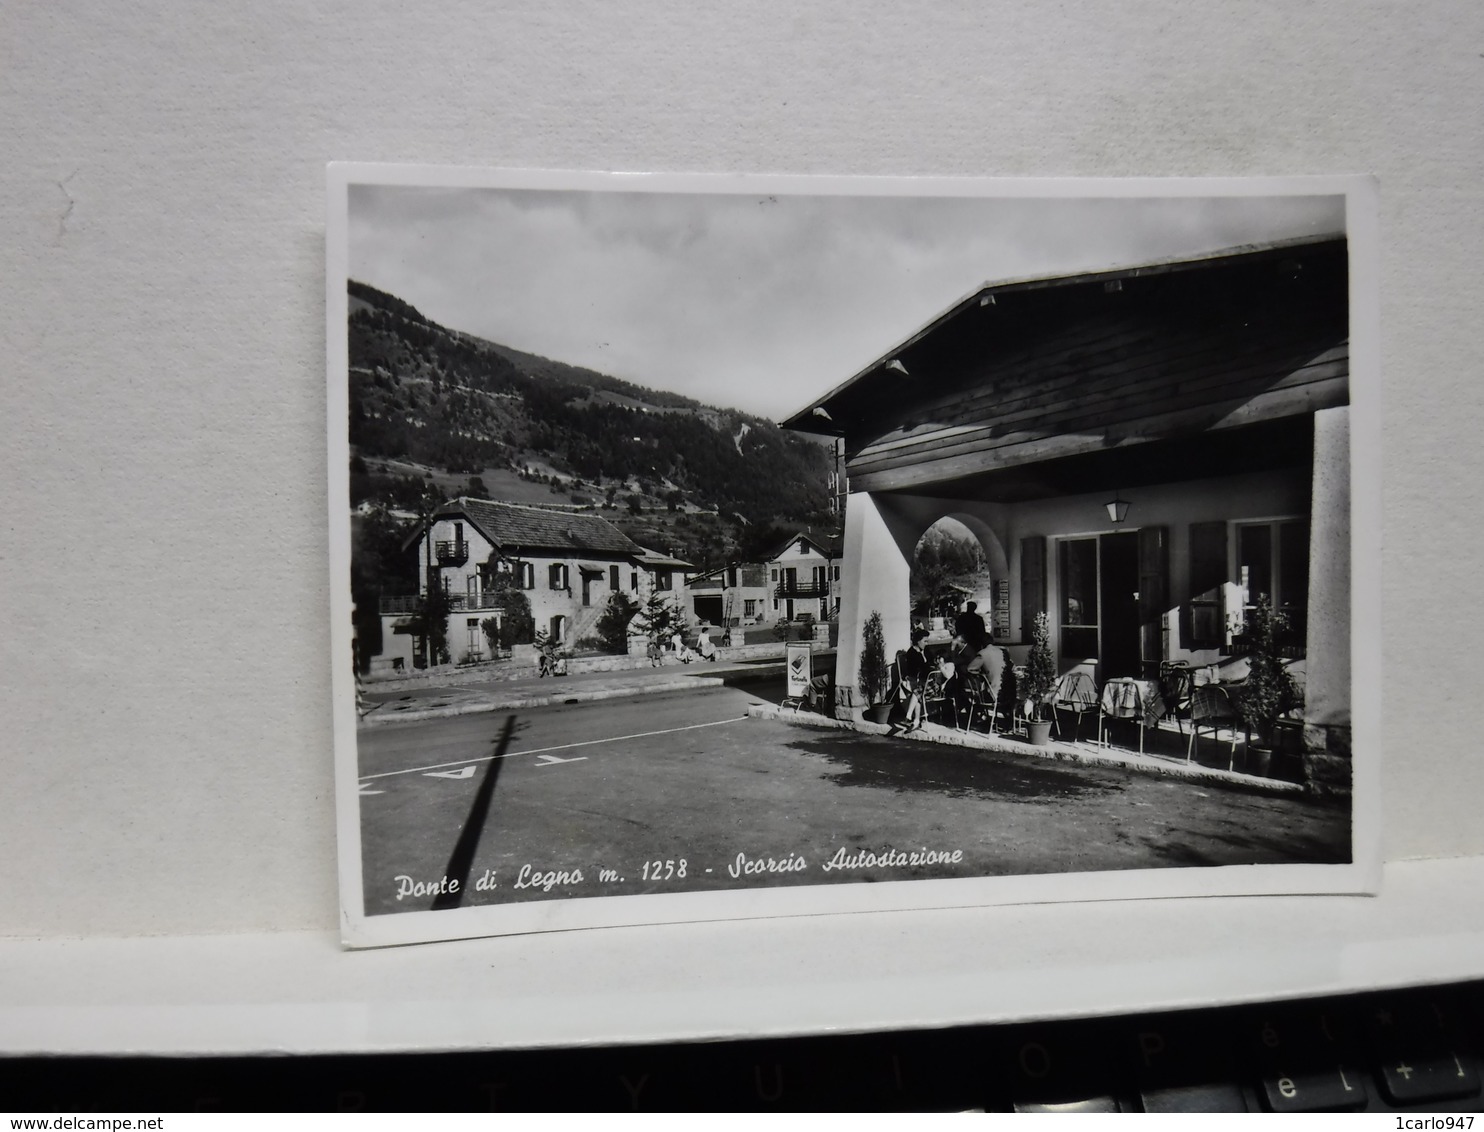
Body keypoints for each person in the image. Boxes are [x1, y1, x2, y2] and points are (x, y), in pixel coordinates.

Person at [895, 627, 931, 731]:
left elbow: (928, 664)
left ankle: (910, 717)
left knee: (917, 692)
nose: (927, 644)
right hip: (918, 681)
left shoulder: (924, 651)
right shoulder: (912, 653)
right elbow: (918, 669)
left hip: (924, 682)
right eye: (925, 641)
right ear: (918, 641)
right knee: (917, 693)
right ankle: (915, 721)